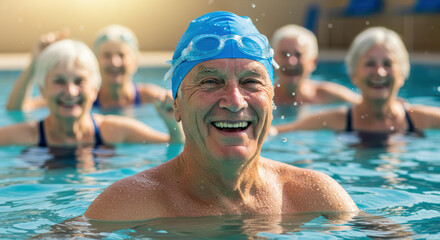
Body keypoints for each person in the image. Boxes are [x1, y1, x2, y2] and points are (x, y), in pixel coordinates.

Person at [84, 11, 358, 222]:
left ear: (272, 102)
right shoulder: (129, 206)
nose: (235, 102)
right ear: (177, 105)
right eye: (210, 82)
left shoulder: (314, 196)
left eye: (251, 81)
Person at [0, 39, 183, 147]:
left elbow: (175, 144)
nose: (70, 91)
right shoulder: (26, 135)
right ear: (42, 90)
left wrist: (171, 123)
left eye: (79, 81)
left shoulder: (115, 130)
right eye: (59, 81)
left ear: (95, 90)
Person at [271, 27, 440, 138]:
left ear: (402, 74)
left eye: (388, 64)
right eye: (369, 64)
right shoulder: (335, 119)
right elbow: (276, 132)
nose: (379, 72)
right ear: (353, 74)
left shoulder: (420, 118)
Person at [6, 25, 171, 111]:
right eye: (107, 56)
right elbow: (18, 108)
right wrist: (35, 61)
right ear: (95, 62)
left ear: (134, 62)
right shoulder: (81, 96)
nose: (114, 62)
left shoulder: (149, 97)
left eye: (121, 55)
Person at [271, 24, 360, 108]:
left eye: (298, 55)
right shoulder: (263, 98)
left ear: (313, 62)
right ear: (273, 60)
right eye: (284, 54)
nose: (291, 62)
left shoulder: (329, 96)